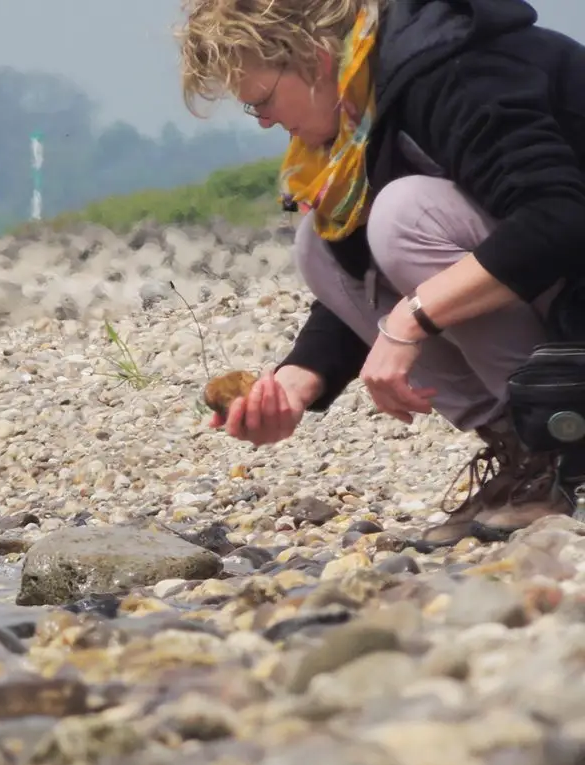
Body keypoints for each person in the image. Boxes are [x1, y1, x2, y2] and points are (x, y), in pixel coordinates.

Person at [176, 0, 585, 545]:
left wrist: (410, 322)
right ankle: (526, 448)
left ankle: (560, 438)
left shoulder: (455, 69)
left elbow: (559, 217)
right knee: (322, 245)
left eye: (261, 101)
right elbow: (367, 278)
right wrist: (298, 381)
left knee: (403, 213)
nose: (266, 121)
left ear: (316, 57)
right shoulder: (368, 104)